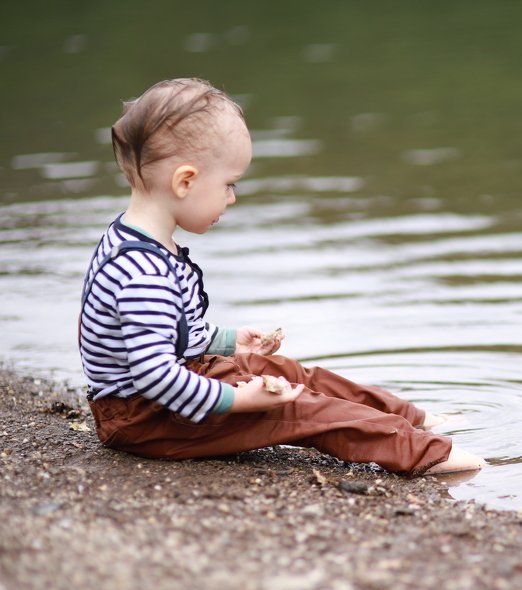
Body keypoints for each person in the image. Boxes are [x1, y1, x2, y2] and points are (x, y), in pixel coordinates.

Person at [78, 78, 484, 476]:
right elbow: (155, 376)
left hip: (162, 399)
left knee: (293, 375)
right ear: (185, 181)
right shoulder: (141, 272)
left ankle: (410, 417)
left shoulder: (134, 241)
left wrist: (227, 341)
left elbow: (168, 334)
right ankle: (425, 453)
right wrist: (237, 400)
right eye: (229, 185)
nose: (232, 198)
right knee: (294, 408)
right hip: (145, 419)